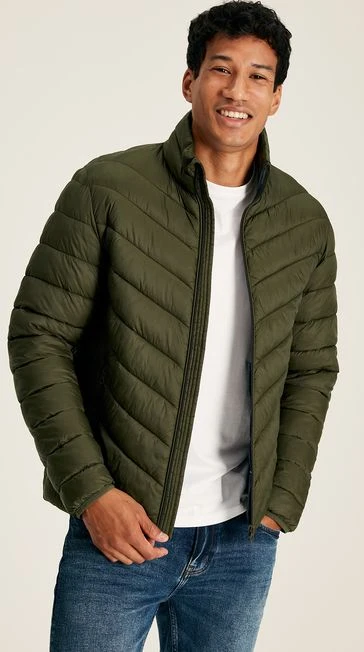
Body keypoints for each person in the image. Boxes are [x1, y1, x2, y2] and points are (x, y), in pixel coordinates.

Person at [7, 1, 339, 650]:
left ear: (276, 97)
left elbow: (311, 368)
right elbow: (38, 338)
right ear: (190, 81)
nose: (237, 90)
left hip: (241, 540)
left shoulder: (303, 222)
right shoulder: (108, 190)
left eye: (258, 76)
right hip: (120, 529)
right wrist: (92, 493)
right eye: (221, 69)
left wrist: (282, 499)